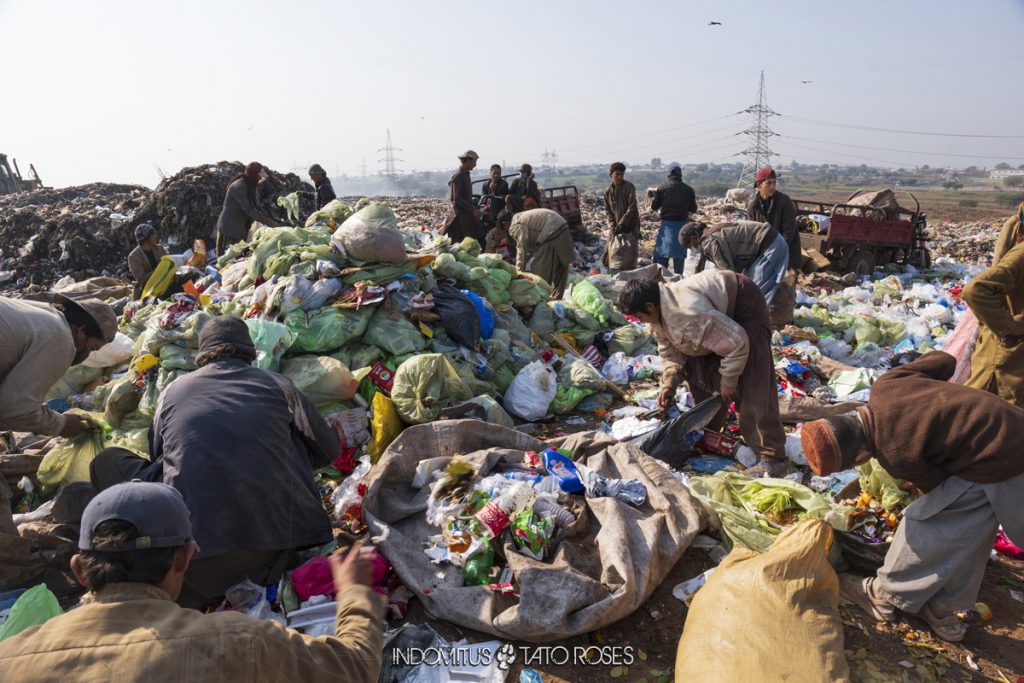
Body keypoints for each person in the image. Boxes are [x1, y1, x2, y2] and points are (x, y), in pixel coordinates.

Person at [0, 481, 384, 681]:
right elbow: (354, 667)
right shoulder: (237, 642)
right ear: (184, 557)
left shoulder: (10, 658)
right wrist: (354, 591)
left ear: (80, 571)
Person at [88, 316, 340, 607]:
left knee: (107, 461)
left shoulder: (173, 392)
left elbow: (161, 457)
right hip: (279, 553)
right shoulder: (277, 384)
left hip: (191, 563)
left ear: (202, 355)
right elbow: (328, 451)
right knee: (292, 436)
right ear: (249, 353)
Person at [800, 351, 1024, 642]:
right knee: (971, 525)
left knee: (929, 523)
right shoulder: (887, 385)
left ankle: (883, 595)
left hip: (1002, 457)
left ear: (859, 455)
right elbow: (945, 360)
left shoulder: (894, 453)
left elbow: (938, 493)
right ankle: (941, 610)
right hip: (1010, 426)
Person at [619, 274, 787, 475]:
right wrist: (669, 385)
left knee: (752, 383)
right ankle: (711, 433)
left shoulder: (686, 313)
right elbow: (672, 352)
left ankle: (771, 457)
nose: (641, 321)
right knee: (698, 371)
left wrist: (729, 380)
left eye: (639, 317)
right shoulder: (660, 317)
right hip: (713, 320)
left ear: (650, 306)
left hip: (743, 307)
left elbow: (738, 342)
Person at [0, 294, 117, 438]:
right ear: (81, 330)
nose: (87, 354)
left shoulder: (44, 313)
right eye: (92, 348)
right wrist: (62, 424)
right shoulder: (61, 337)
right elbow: (15, 410)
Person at [962, 231, 1024, 408]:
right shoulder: (1022, 254)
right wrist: (1009, 326)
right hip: (1007, 357)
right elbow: (975, 290)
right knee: (982, 413)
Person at [680, 220, 790, 303]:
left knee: (755, 293)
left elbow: (728, 272)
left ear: (693, 238)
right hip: (762, 248)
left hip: (770, 245)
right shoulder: (709, 235)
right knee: (747, 287)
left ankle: (758, 327)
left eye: (690, 246)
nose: (692, 249)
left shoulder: (710, 241)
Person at [501, 209, 575, 299]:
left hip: (551, 232)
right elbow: (530, 250)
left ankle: (541, 299)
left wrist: (519, 270)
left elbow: (522, 247)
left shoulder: (515, 224)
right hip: (562, 227)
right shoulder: (523, 217)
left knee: (539, 271)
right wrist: (525, 262)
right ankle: (557, 299)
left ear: (505, 224)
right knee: (560, 268)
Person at [215, 161, 283, 253]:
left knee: (237, 256)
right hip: (229, 229)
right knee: (227, 257)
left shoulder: (251, 185)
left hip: (241, 227)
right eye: (260, 175)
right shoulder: (239, 187)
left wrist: (271, 219)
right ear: (254, 174)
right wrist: (269, 222)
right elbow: (249, 210)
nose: (261, 179)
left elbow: (256, 206)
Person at [745, 167, 800, 271]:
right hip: (764, 254)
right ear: (759, 185)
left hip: (785, 254)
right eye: (769, 183)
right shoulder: (753, 206)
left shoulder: (784, 202)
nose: (773, 187)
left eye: (774, 183)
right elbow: (752, 233)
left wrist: (774, 251)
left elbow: (789, 233)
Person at [650, 166, 698, 274]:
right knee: (679, 257)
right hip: (682, 227)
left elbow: (654, 207)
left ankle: (661, 281)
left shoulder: (662, 188)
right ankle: (678, 280)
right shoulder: (689, 190)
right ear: (681, 176)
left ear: (669, 176)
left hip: (666, 226)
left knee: (662, 256)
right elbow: (694, 209)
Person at [603, 162, 641, 273]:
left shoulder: (629, 187)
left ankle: (629, 277)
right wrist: (613, 225)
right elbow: (608, 210)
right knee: (611, 253)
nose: (620, 177)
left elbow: (632, 207)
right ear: (611, 174)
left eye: (622, 174)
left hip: (630, 226)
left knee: (629, 254)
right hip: (616, 227)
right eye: (617, 174)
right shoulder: (607, 192)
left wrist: (622, 223)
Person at [442, 150, 484, 244]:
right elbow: (457, 198)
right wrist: (473, 210)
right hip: (459, 216)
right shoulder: (458, 175)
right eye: (474, 162)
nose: (475, 165)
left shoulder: (465, 174)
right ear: (468, 160)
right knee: (456, 243)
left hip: (465, 214)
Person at [127, 223, 168, 300]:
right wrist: (159, 269)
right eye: (153, 235)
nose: (156, 237)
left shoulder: (159, 249)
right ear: (146, 239)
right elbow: (141, 279)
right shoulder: (134, 257)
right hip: (147, 290)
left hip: (165, 281)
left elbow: (169, 263)